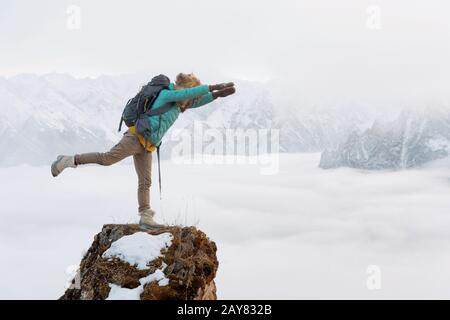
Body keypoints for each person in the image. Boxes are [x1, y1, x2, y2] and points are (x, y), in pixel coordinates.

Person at [51, 73, 236, 229]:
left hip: (147, 145)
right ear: (183, 88)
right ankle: (67, 160)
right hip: (135, 138)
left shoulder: (179, 104)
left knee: (145, 181)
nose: (189, 100)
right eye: (188, 93)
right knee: (107, 159)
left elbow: (195, 100)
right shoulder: (166, 94)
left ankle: (145, 218)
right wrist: (213, 86)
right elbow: (191, 93)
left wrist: (218, 94)